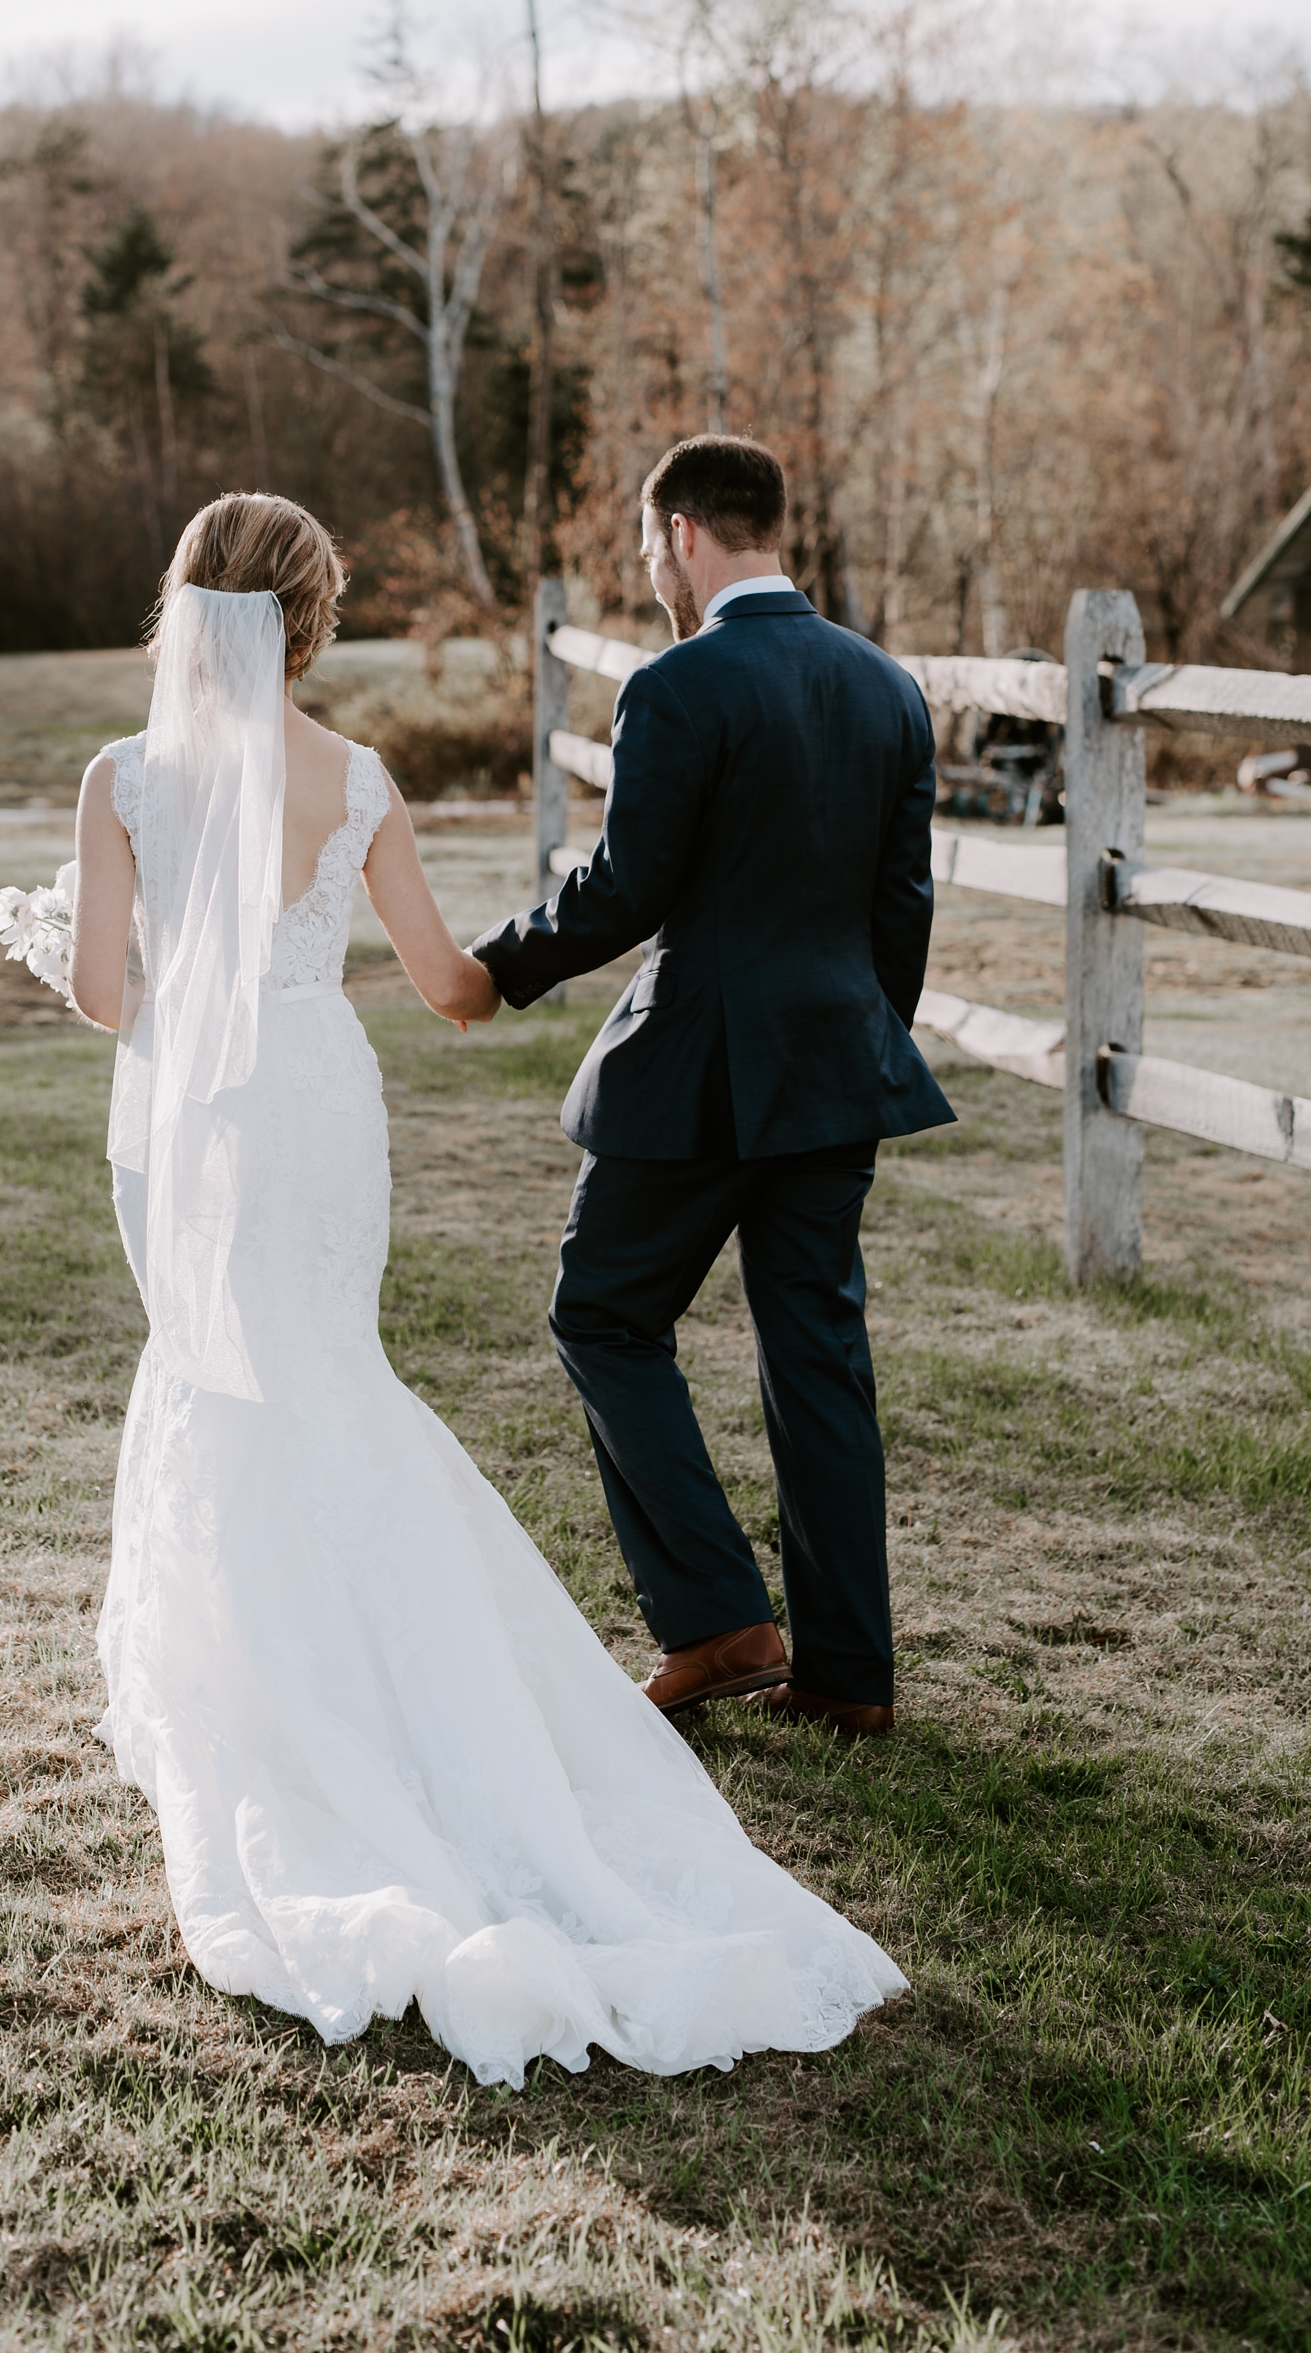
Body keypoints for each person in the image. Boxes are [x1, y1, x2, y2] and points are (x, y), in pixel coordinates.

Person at [61, 488, 904, 2089]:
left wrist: (86, 954)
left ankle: (253, 1675)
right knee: (327, 1375)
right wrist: (506, 979)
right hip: (319, 1105)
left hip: (197, 1113)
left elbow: (112, 999)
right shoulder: (358, 780)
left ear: (185, 609)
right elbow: (446, 980)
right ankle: (435, 1682)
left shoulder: (121, 781)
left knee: (221, 1370)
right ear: (309, 621)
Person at [469, 436, 952, 1741]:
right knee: (819, 1360)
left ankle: (717, 1619)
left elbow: (630, 885)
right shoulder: (886, 687)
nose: (654, 574)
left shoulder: (681, 685)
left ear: (683, 534)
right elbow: (901, 908)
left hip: (694, 1076)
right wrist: (859, 1049)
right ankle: (849, 1675)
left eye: (649, 551)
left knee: (604, 1311)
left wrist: (498, 968)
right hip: (838, 1072)